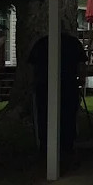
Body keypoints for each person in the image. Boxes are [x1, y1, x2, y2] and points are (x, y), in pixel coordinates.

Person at [27, 31, 85, 172]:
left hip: (45, 85)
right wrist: (81, 81)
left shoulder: (41, 43)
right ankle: (67, 147)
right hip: (67, 85)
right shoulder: (74, 43)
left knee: (45, 116)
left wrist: (32, 83)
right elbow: (82, 65)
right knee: (68, 116)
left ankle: (47, 147)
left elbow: (31, 67)